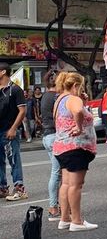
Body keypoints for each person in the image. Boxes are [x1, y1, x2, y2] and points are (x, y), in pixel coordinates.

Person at [52, 72, 98, 231]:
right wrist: (79, 127)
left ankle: (64, 218)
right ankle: (76, 221)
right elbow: (78, 111)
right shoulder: (73, 99)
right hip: (76, 147)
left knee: (65, 184)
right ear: (76, 86)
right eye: (81, 86)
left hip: (62, 147)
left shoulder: (60, 99)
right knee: (76, 185)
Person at [0, 60, 29, 201]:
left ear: (3, 72)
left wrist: (13, 128)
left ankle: (19, 188)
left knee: (14, 159)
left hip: (9, 130)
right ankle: (2, 188)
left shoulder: (15, 89)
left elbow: (22, 111)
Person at [40, 70, 62, 219]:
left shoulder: (45, 96)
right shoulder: (56, 97)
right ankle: (53, 207)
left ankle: (58, 205)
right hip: (55, 135)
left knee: (57, 172)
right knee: (57, 172)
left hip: (47, 135)